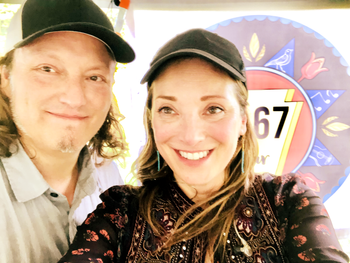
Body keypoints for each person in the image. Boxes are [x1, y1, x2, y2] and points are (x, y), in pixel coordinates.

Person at [58, 29, 349, 263]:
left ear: (243, 121)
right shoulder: (120, 213)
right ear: (152, 121)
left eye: (213, 109)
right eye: (168, 110)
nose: (191, 136)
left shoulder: (288, 201)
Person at [0, 0, 135, 262]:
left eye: (94, 77)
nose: (74, 98)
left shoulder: (108, 176)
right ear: (5, 78)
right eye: (47, 69)